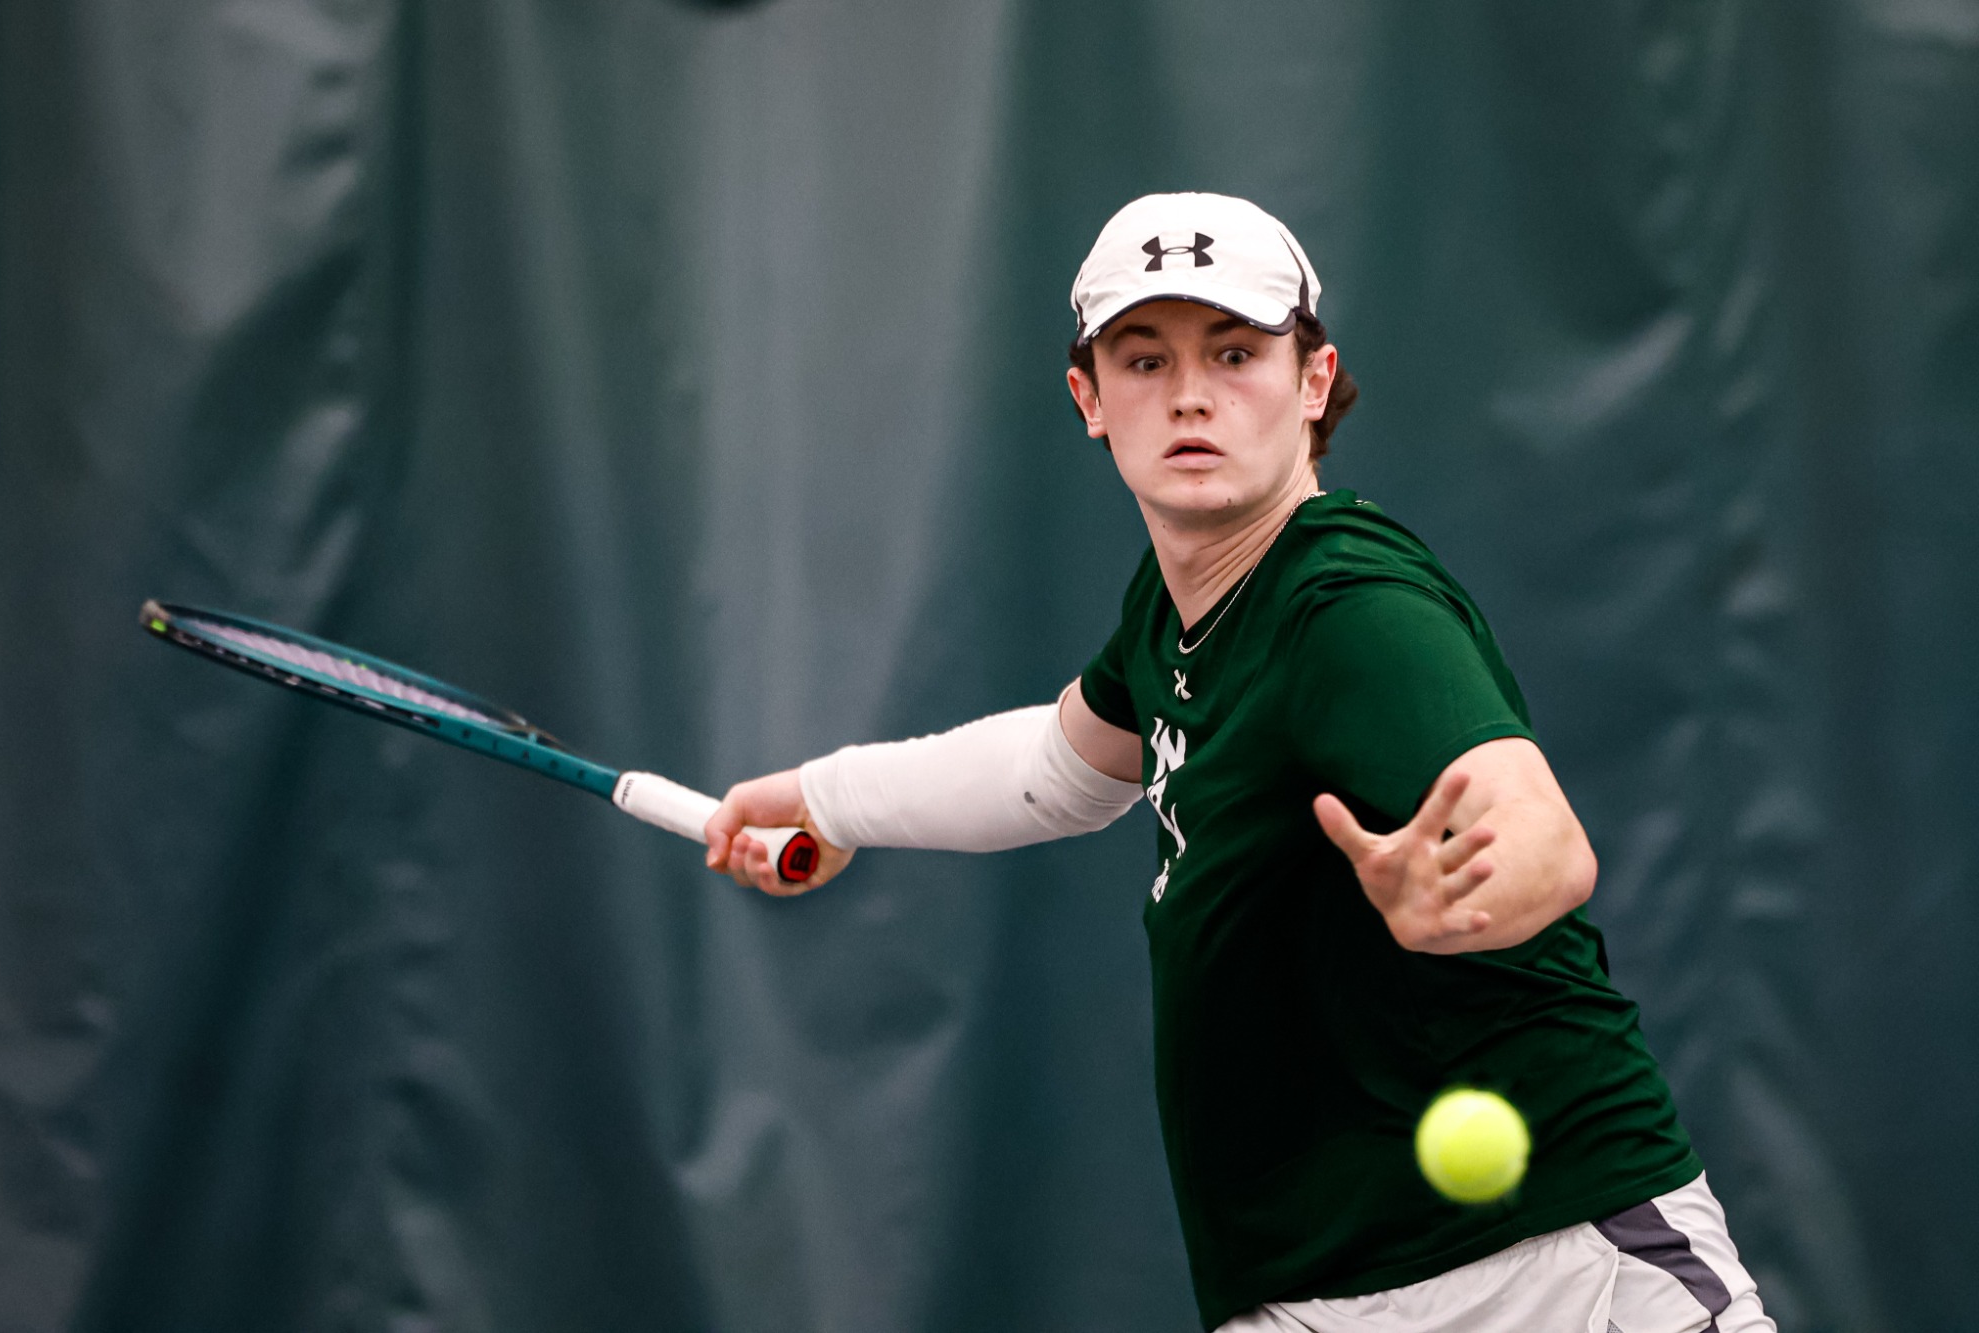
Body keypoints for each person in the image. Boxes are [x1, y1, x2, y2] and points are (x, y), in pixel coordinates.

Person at [702, 193, 1773, 1333]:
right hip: (1305, 1294)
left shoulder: (1349, 605)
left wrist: (1460, 896)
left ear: (1312, 384)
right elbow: (1059, 769)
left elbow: (1541, 843)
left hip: (1550, 1269)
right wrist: (828, 796)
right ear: (1088, 400)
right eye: (1143, 358)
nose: (1190, 393)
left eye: (1233, 352)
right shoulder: (1175, 609)